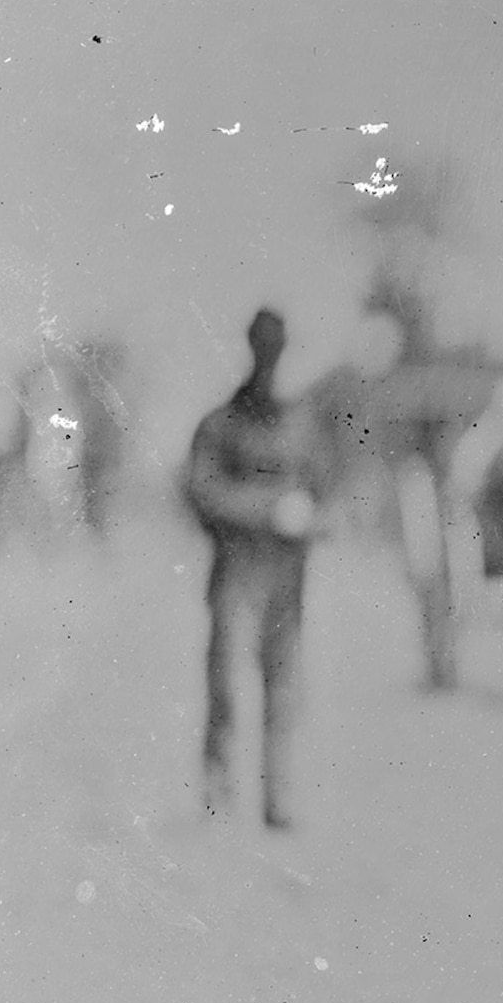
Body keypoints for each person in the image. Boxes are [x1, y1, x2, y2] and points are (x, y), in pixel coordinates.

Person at [185, 308, 324, 828]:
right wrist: (268, 509)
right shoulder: (221, 424)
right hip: (237, 575)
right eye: (264, 348)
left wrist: (309, 515)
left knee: (283, 692)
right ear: (251, 349)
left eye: (278, 349)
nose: (271, 359)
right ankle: (219, 795)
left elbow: (327, 493)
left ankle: (278, 801)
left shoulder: (303, 426)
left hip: (287, 580)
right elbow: (200, 492)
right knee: (226, 688)